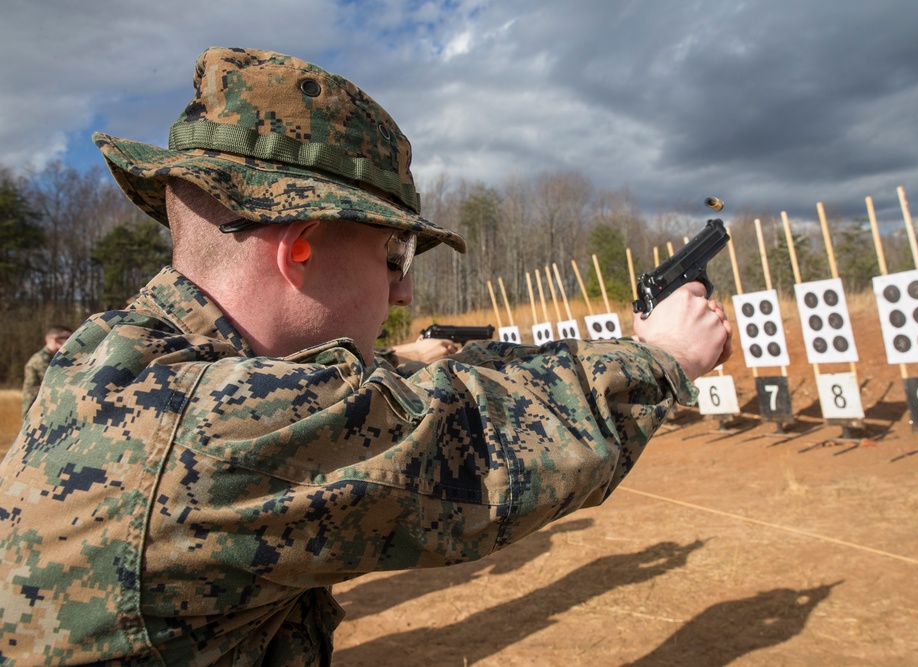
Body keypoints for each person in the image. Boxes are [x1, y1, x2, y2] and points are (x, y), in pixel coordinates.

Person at [0, 47, 731, 665]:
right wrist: (662, 354)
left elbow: (358, 390)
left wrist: (413, 359)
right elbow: (476, 448)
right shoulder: (222, 426)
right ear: (301, 249)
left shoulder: (115, 357)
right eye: (392, 252)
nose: (405, 284)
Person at [20, 324, 71, 416]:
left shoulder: (56, 358)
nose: (71, 341)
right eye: (67, 338)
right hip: (36, 412)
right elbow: (57, 382)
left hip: (46, 410)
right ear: (55, 339)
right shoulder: (41, 359)